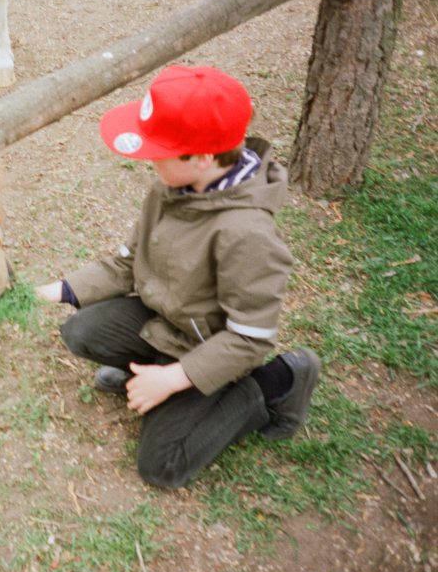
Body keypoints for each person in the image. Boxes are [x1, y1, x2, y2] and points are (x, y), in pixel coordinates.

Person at [36, 65, 320, 489]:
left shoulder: (247, 233)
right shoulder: (171, 186)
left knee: (163, 466)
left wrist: (173, 378)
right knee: (81, 331)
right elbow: (128, 262)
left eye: (159, 149)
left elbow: (249, 337)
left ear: (202, 158)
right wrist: (57, 290)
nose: (149, 159)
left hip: (211, 348)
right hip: (167, 322)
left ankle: (277, 383)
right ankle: (151, 369)